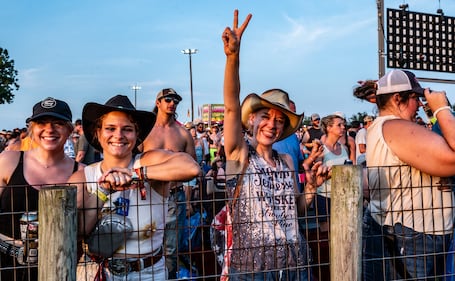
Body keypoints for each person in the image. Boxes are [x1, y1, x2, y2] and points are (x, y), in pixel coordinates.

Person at [222, 10, 329, 280]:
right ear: (252, 120)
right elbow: (231, 107)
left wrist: (312, 188)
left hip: (294, 263)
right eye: (266, 117)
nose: (272, 124)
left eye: (279, 120)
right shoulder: (239, 154)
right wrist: (233, 58)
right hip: (252, 267)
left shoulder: (287, 160)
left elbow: (296, 209)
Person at [72, 95, 200, 280]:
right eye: (110, 128)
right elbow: (80, 231)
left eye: (127, 129)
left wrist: (136, 174)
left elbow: (191, 167)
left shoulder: (148, 161)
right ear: (98, 133)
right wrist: (102, 191)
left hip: (149, 272)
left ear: (137, 134)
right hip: (100, 272)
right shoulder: (83, 177)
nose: (118, 135)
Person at [355, 69, 455, 280]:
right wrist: (442, 109)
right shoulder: (395, 127)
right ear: (397, 98)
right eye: (415, 98)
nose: (419, 104)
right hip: (412, 238)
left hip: (413, 235)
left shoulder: (388, 127)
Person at [0, 97, 83, 281]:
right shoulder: (8, 161)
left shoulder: (82, 173)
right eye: (41, 123)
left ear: (70, 129)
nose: (49, 129)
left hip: (57, 268)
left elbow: (84, 228)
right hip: (5, 265)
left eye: (58, 123)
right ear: (32, 128)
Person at [140, 88, 197, 279]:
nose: (172, 103)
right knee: (145, 242)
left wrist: (188, 201)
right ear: (158, 103)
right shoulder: (146, 131)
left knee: (171, 247)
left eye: (175, 100)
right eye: (168, 99)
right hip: (148, 195)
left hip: (174, 196)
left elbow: (192, 170)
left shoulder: (183, 133)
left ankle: (169, 276)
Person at [272, 99, 305, 192]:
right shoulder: (270, 137)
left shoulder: (294, 137)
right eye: (290, 112)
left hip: (293, 192)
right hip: (275, 191)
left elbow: (300, 162)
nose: (292, 116)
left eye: (294, 113)